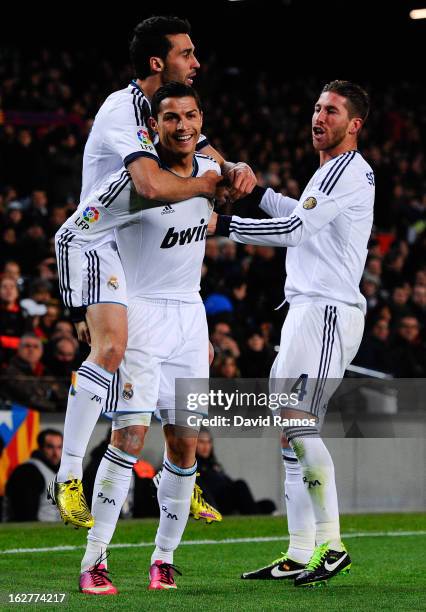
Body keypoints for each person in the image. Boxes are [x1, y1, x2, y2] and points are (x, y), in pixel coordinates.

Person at [51, 16, 255, 527]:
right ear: (158, 63)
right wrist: (210, 185)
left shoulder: (167, 111)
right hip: (95, 239)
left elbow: (206, 153)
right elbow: (152, 185)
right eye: (188, 53)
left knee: (185, 371)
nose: (197, 61)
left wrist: (232, 171)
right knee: (112, 348)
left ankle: (177, 478)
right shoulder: (122, 110)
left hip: (138, 249)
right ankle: (68, 474)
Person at [210, 80, 374, 587]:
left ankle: (333, 542)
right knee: (288, 433)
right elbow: (295, 216)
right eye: (317, 108)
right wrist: (257, 193)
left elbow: (295, 233)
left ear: (355, 125)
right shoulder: (328, 172)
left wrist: (224, 226)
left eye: (332, 110)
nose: (319, 117)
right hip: (305, 311)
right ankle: (300, 550)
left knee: (299, 421)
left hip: (327, 312)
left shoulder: (350, 170)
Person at [65, 83, 223, 595]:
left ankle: (164, 559)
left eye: (191, 116)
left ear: (202, 121)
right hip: (142, 315)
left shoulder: (210, 173)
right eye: (171, 118)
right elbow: (76, 230)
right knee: (129, 438)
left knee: (185, 444)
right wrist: (87, 301)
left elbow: (211, 222)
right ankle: (95, 561)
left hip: (190, 317)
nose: (183, 126)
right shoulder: (135, 184)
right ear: (153, 127)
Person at [196, 428, 276, 515]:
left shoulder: (213, 465)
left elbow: (229, 483)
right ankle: (254, 517)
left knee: (268, 504)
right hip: (217, 505)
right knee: (240, 484)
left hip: (231, 500)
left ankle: (256, 515)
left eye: (208, 442)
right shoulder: (194, 466)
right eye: (201, 442)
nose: (206, 446)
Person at [6, 429, 62, 521]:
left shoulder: (59, 470)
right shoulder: (28, 471)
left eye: (59, 447)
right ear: (40, 448)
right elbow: (24, 514)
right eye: (50, 447)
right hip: (37, 531)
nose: (56, 453)